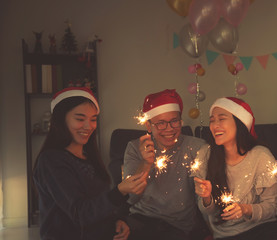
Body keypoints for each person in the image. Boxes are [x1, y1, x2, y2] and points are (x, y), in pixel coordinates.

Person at [33, 87, 147, 240]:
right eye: (80, 119)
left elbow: (98, 203)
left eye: (93, 119)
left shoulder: (89, 157)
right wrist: (119, 190)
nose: (89, 126)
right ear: (61, 120)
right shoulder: (51, 160)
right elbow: (81, 213)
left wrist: (117, 220)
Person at [191, 97, 277, 240]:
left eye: (221, 119)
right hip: (225, 236)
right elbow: (207, 211)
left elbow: (272, 207)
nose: (215, 126)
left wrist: (245, 209)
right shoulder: (205, 155)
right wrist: (206, 198)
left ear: (239, 123)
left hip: (261, 230)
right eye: (212, 120)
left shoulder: (261, 156)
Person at [123, 89, 207, 240]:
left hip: (178, 227)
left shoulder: (197, 147)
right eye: (161, 123)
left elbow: (203, 198)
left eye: (174, 121)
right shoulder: (135, 147)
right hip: (140, 220)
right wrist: (146, 163)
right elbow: (131, 197)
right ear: (149, 126)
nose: (169, 128)